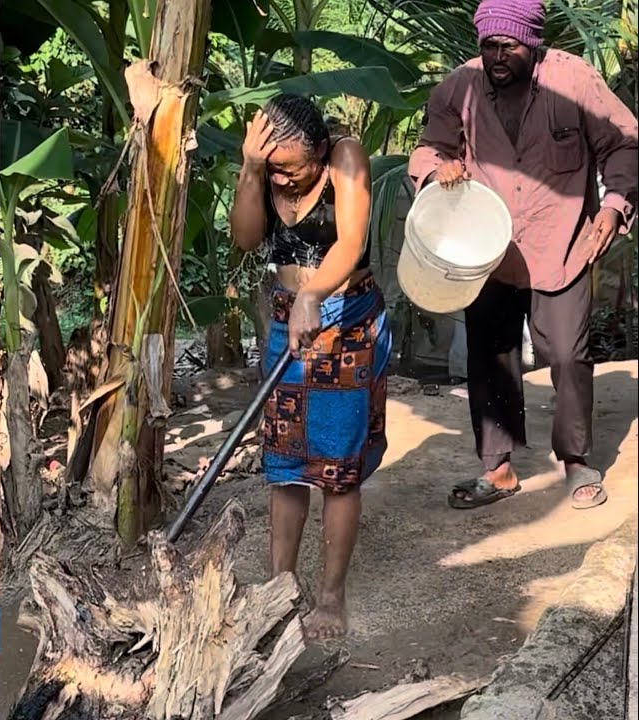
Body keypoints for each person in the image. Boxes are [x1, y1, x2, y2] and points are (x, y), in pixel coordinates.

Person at [409, 0, 638, 511]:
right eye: (487, 45)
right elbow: (428, 149)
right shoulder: (459, 87)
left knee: (566, 354)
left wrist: (615, 206)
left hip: (564, 242)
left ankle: (575, 460)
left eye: (508, 46)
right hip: (485, 248)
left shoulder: (573, 80)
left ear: (532, 45)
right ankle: (498, 468)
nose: (496, 56)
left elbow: (624, 144)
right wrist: (436, 170)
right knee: (491, 355)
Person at [229, 93, 391, 639]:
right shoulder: (264, 170)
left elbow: (350, 242)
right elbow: (247, 237)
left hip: (345, 323)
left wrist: (314, 293)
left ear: (320, 152)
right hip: (287, 322)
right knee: (285, 463)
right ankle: (281, 589)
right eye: (274, 168)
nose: (284, 181)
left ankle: (330, 595)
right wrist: (252, 170)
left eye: (292, 170)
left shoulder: (346, 157)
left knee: (337, 469)